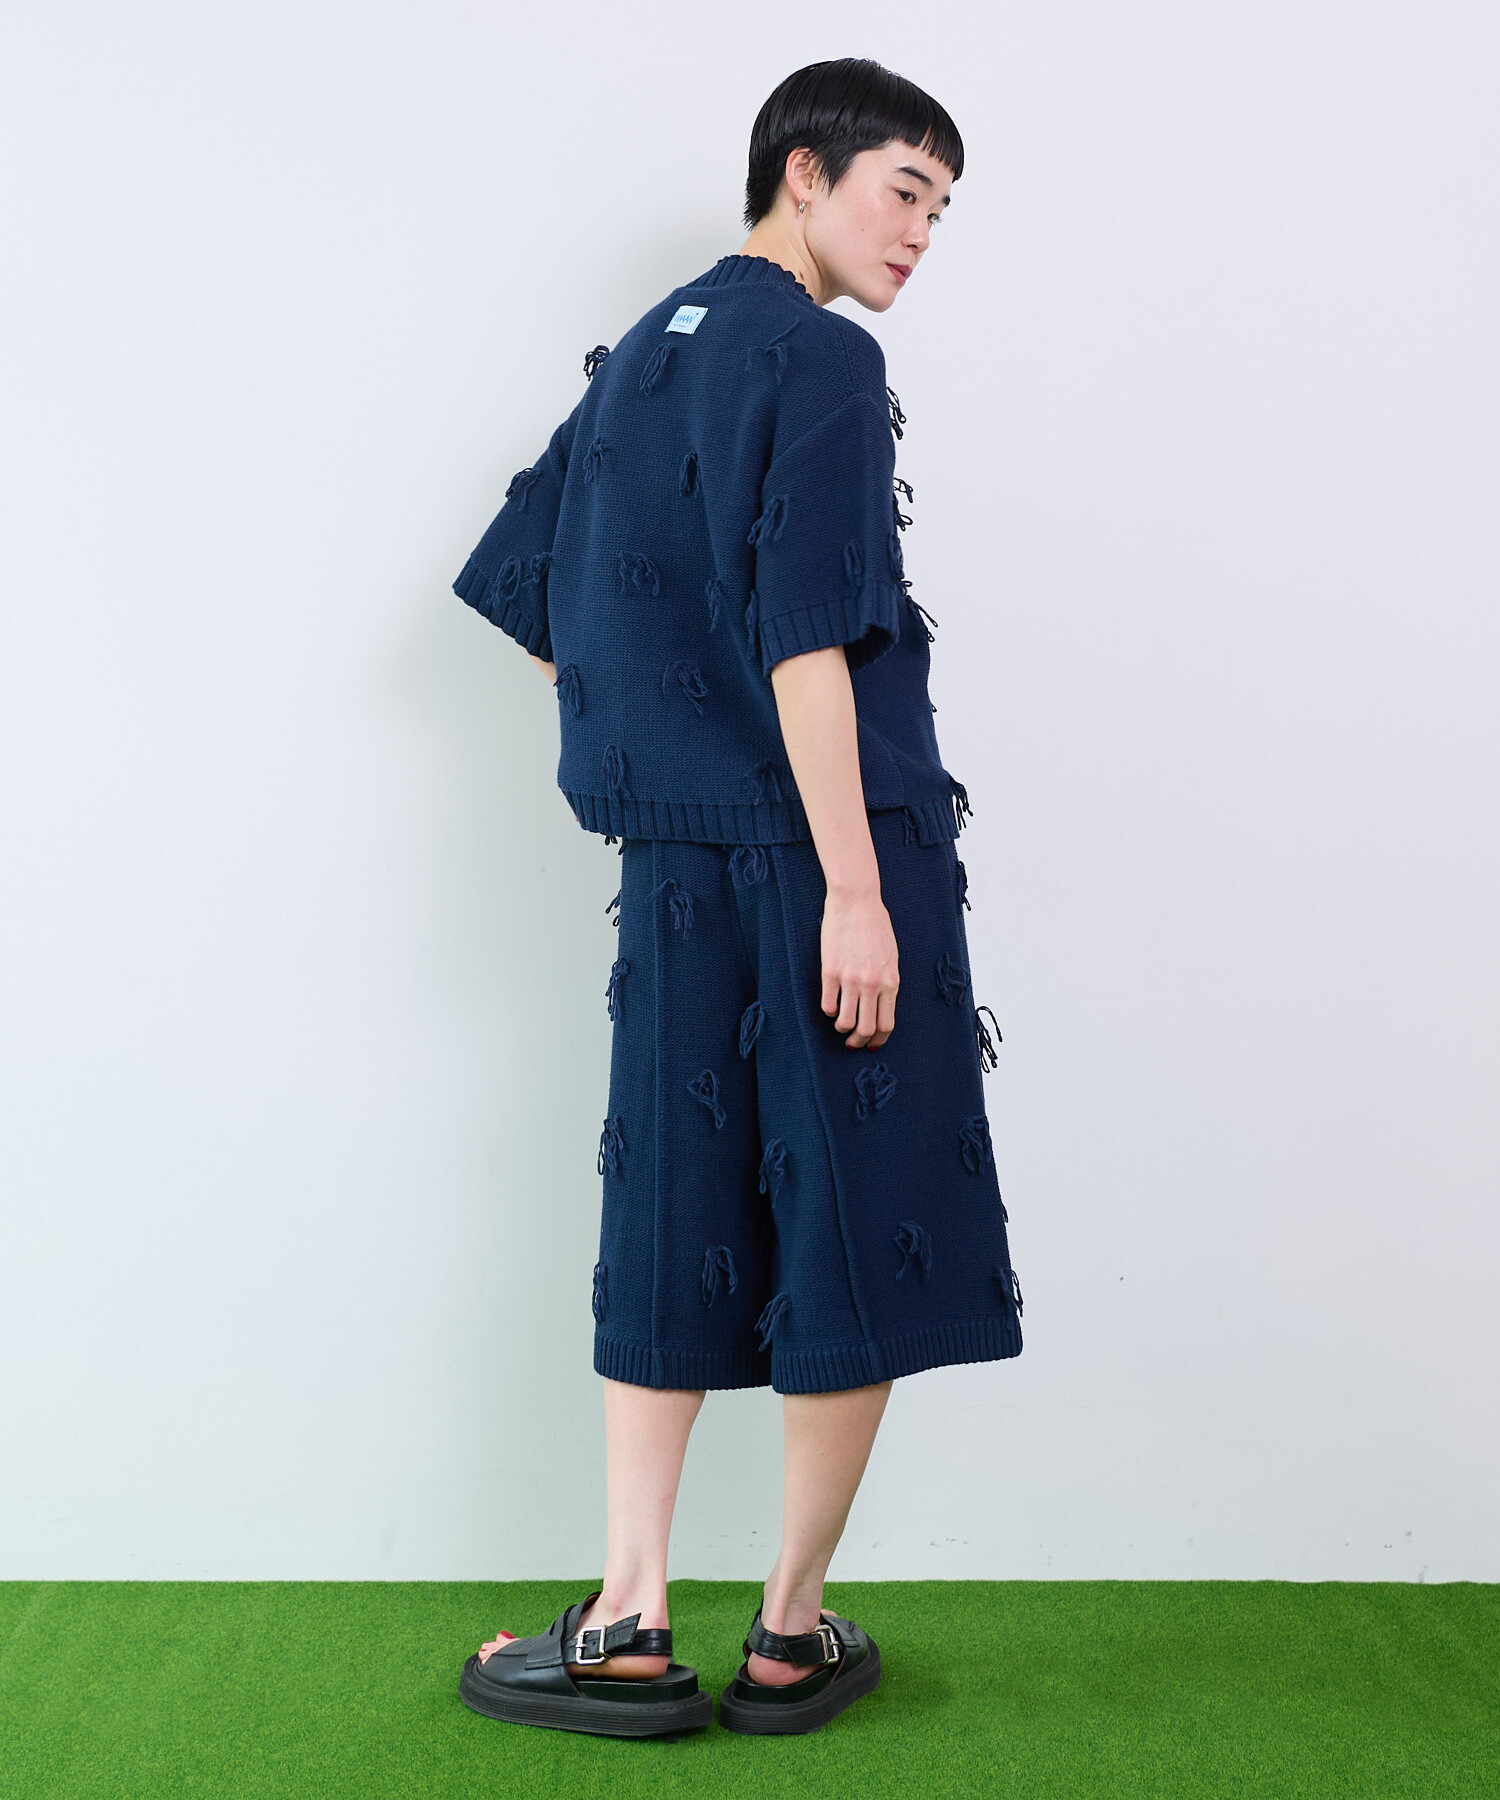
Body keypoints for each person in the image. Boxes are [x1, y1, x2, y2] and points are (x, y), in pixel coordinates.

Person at [452, 57, 1022, 1740]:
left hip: (676, 866)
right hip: (831, 848)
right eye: (904, 190)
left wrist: (671, 732)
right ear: (804, 172)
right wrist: (856, 887)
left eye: (942, 209)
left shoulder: (648, 348)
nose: (921, 233)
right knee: (857, 1206)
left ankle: (627, 1616)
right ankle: (787, 1629)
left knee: (671, 1204)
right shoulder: (826, 357)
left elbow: (536, 589)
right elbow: (806, 639)